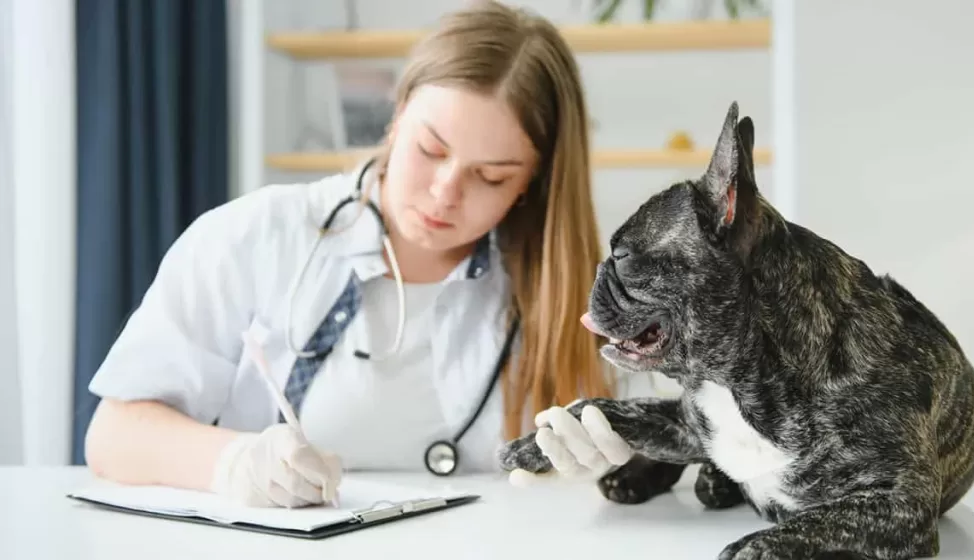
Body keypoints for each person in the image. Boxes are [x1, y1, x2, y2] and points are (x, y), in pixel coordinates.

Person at [83, 0, 646, 508]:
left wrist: (604, 467)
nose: (445, 193)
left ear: (531, 182)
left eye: (490, 177)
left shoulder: (570, 288)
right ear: (397, 115)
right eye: (431, 149)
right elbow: (114, 434)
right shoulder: (254, 235)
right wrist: (231, 462)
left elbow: (627, 464)